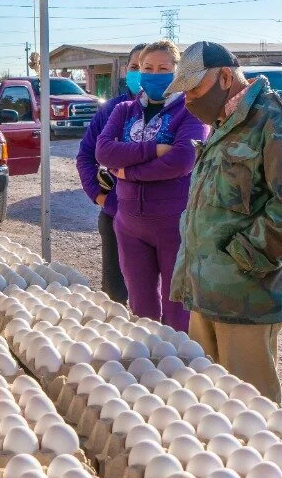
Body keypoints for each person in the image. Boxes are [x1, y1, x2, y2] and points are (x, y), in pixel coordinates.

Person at [167, 42, 282, 404]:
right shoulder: (222, 123)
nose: (188, 100)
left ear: (226, 77)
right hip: (206, 292)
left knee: (251, 413)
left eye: (195, 89)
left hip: (247, 295)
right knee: (209, 402)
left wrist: (245, 255)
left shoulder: (275, 119)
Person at [96, 40, 207, 331]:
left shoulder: (190, 111)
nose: (154, 74)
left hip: (174, 225)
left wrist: (128, 172)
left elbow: (183, 159)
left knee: (177, 313)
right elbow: (103, 151)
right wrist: (155, 150)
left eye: (163, 68)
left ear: (177, 72)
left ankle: (181, 372)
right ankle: (149, 371)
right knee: (141, 311)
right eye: (147, 68)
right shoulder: (123, 111)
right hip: (130, 225)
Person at [76, 43, 146, 304]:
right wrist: (101, 198)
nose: (142, 73)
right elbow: (85, 156)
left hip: (163, 223)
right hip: (117, 217)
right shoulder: (113, 110)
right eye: (136, 67)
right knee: (115, 297)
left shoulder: (177, 114)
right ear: (126, 70)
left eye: (150, 67)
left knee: (159, 301)